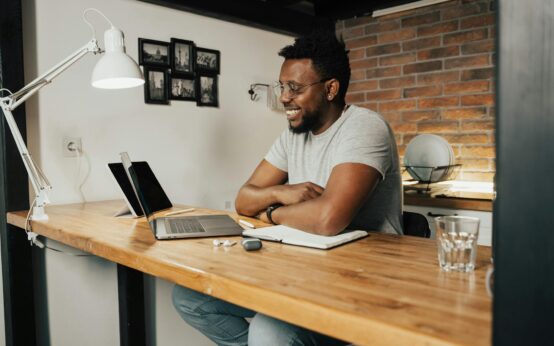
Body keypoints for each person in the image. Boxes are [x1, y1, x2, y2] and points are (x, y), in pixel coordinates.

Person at [172, 29, 402, 346]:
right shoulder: (293, 135)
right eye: (282, 86)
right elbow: (244, 198)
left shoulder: (364, 127)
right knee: (190, 298)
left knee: (268, 331)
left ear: (331, 88)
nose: (283, 97)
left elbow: (327, 218)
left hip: (362, 283)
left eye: (294, 88)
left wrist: (272, 213)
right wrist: (280, 193)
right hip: (304, 273)